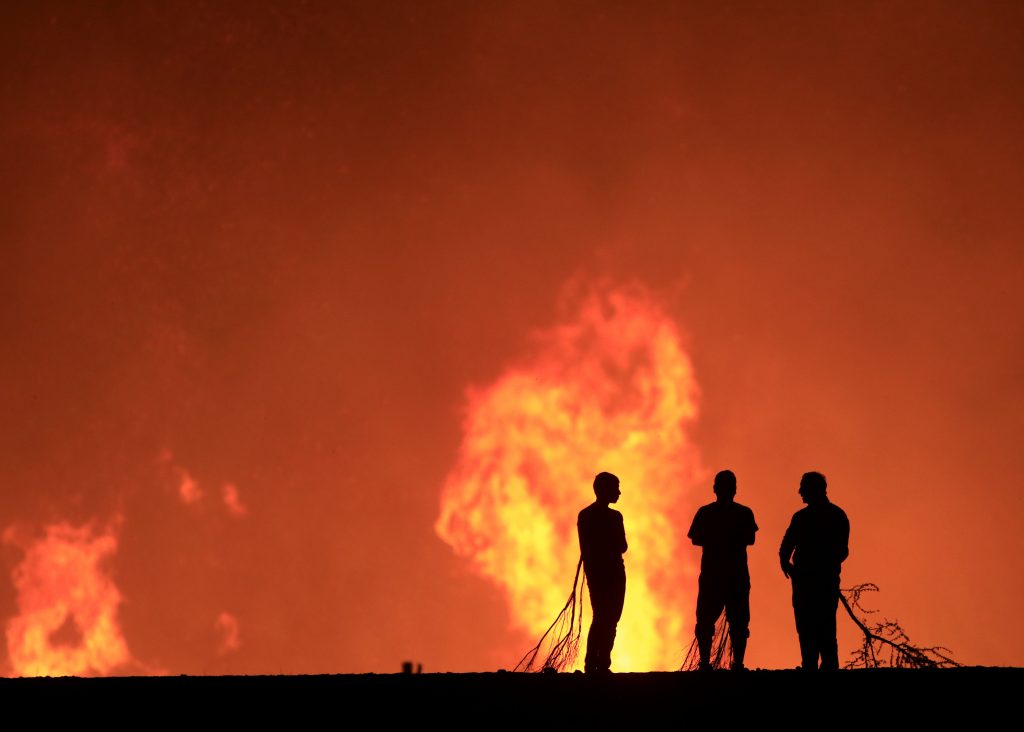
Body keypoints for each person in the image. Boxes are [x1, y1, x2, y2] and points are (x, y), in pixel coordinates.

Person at [687, 469, 758, 670]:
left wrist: (716, 538)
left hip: (723, 576)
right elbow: (695, 538)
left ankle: (716, 663)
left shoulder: (709, 512)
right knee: (721, 621)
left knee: (733, 622)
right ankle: (728, 663)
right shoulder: (741, 513)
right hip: (725, 576)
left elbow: (696, 538)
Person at [779, 471, 850, 671]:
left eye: (804, 487)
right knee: (810, 626)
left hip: (819, 581)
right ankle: (814, 667)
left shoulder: (830, 516)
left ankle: (822, 668)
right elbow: (785, 548)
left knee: (819, 626)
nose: (800, 491)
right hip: (810, 581)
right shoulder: (833, 515)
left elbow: (842, 551)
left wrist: (795, 567)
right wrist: (788, 566)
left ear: (815, 489)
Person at [577, 471, 627, 673]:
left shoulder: (586, 515)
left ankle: (596, 663)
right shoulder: (612, 517)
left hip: (602, 573)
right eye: (616, 488)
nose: (619, 492)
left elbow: (588, 549)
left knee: (605, 617)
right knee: (606, 618)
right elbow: (622, 546)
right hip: (607, 573)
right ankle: (597, 663)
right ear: (604, 489)